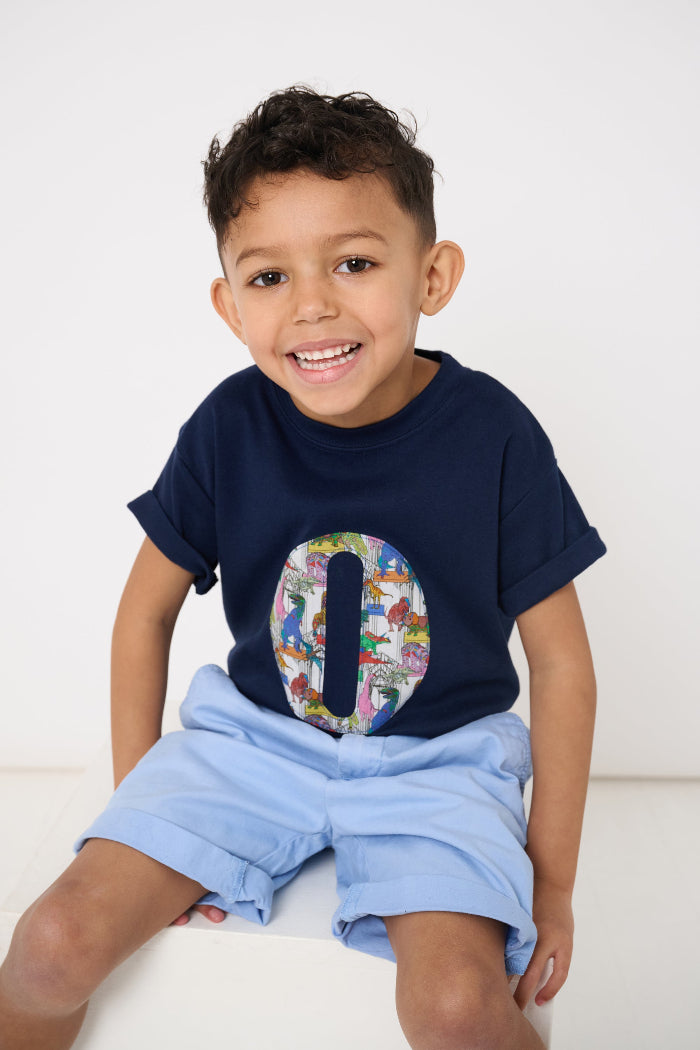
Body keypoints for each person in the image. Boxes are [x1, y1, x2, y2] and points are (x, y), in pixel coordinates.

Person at [0, 86, 606, 1050]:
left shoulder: (493, 434)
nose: (314, 304)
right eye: (269, 277)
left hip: (437, 766)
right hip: (251, 749)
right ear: (227, 301)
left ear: (433, 275)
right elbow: (142, 616)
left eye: (355, 262)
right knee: (46, 949)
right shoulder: (229, 425)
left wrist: (556, 883)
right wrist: (146, 809)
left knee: (455, 1008)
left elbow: (565, 668)